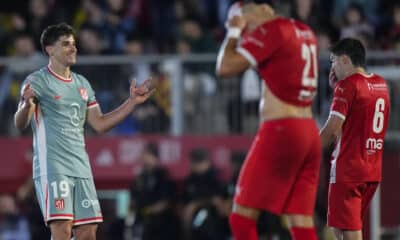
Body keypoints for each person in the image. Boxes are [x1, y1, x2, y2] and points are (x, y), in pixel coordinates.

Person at [14, 23, 154, 240]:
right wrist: (26, 106)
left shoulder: (82, 84)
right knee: (62, 228)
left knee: (88, 232)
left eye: (74, 44)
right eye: (66, 44)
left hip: (81, 166)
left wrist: (132, 102)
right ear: (50, 49)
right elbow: (20, 122)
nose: (73, 48)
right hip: (53, 166)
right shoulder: (37, 80)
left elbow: (99, 124)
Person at [216, 2, 321, 240]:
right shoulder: (304, 30)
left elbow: (224, 67)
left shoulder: (272, 30)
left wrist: (232, 32)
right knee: (301, 221)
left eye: (245, 24)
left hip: (282, 130)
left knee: (240, 219)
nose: (247, 32)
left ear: (261, 9)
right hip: (308, 130)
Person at [320, 38, 390, 240]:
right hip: (372, 170)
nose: (332, 66)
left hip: (348, 170)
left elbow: (332, 130)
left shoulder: (348, 86)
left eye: (333, 60)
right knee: (343, 229)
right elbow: (354, 126)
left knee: (346, 233)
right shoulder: (380, 84)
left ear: (344, 59)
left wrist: (306, 151)